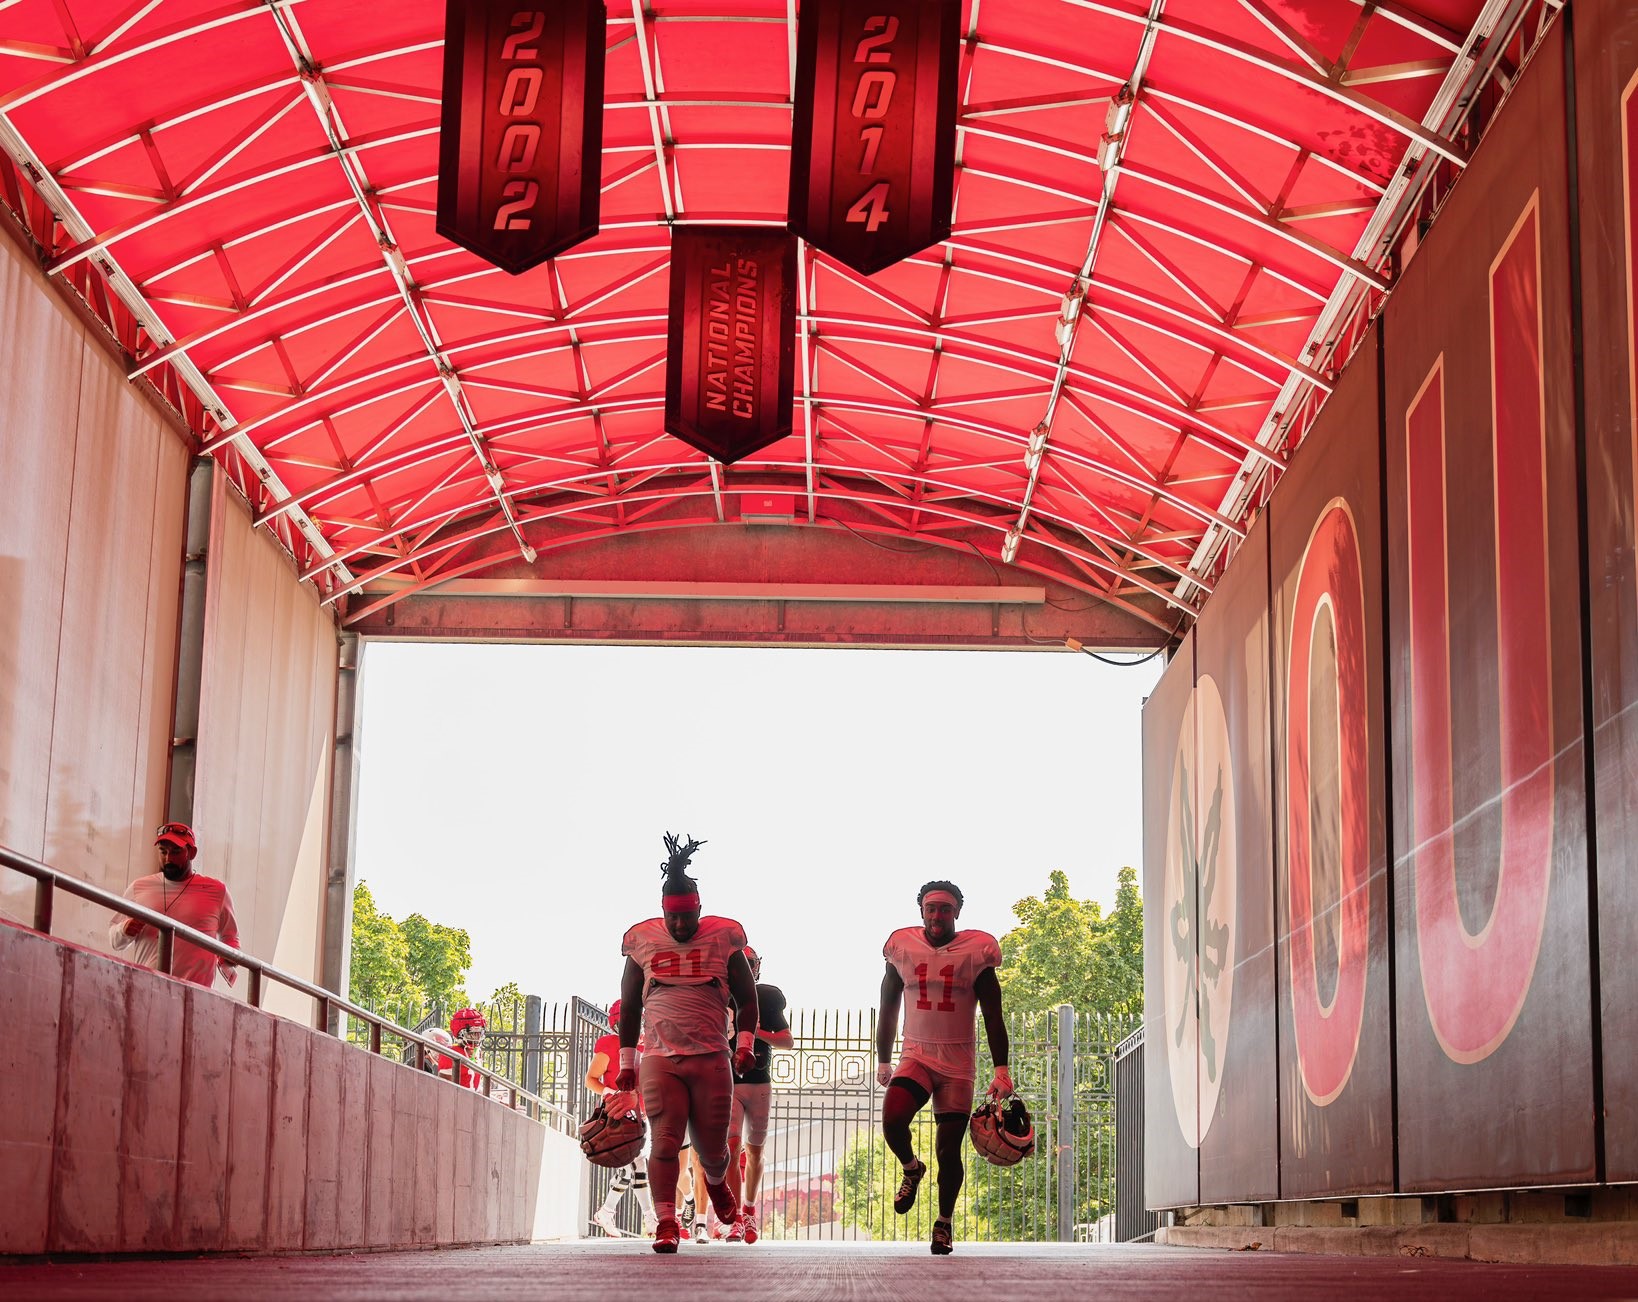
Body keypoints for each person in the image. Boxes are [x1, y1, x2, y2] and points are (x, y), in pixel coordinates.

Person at [616, 833, 758, 1253]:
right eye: (672, 918)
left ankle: (716, 1183)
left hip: (712, 1055)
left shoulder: (723, 937)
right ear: (663, 912)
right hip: (661, 1056)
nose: (679, 926)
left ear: (699, 907)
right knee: (664, 1140)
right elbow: (628, 1004)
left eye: (686, 917)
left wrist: (745, 1043)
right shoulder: (642, 941)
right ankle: (664, 1222)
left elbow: (747, 998)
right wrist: (628, 1061)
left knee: (713, 1148)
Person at [876, 880, 1010, 1256]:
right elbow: (888, 1006)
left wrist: (1001, 1070)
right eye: (931, 908)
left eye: (945, 909)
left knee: (948, 1151)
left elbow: (993, 1016)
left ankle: (944, 1224)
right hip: (916, 1054)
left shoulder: (976, 950)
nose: (938, 915)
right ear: (921, 909)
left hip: (957, 1064)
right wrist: (884, 1057)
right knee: (893, 1118)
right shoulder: (902, 946)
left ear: (957, 913)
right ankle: (910, 1167)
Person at [109, 822, 241, 989]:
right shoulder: (139, 887)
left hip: (196, 994)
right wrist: (124, 930)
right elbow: (114, 940)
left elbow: (232, 939)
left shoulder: (217, 891)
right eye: (163, 852)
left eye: (176, 852)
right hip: (146, 988)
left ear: (192, 853)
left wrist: (228, 958)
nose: (168, 859)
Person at [724, 944, 792, 1244]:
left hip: (759, 1081)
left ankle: (750, 1209)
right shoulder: (718, 995)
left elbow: (787, 1041)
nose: (744, 967)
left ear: (756, 966)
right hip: (728, 1082)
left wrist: (752, 1032)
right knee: (731, 1145)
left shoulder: (766, 996)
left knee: (754, 1150)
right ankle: (737, 1216)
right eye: (739, 962)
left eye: (748, 962)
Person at [585, 998, 658, 1238]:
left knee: (631, 1169)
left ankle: (607, 1211)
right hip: (617, 1112)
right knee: (636, 1165)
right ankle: (649, 1218)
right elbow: (591, 1079)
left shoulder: (647, 1045)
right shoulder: (609, 1044)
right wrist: (610, 1092)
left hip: (640, 1114)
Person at [441, 1006, 487, 1089]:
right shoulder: (450, 1054)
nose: (476, 1037)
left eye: (479, 1033)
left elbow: (477, 1087)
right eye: (472, 1034)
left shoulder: (477, 1052)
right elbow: (444, 1088)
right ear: (460, 1034)